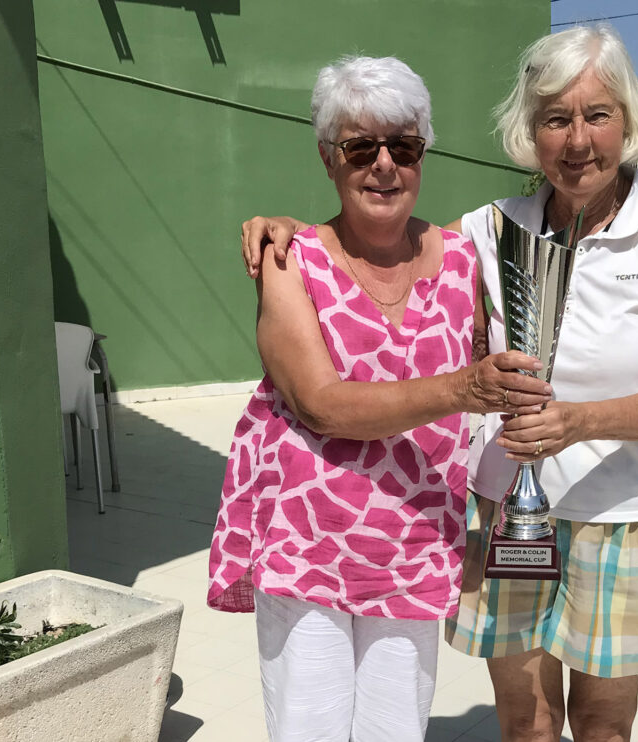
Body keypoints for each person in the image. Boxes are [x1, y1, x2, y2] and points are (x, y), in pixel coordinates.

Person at [241, 25, 638, 742]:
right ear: (530, 132)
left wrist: (574, 423)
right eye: (556, 119)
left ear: (628, 120)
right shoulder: (487, 232)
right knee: (526, 722)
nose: (577, 140)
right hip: (508, 512)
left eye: (597, 115)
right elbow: (389, 245)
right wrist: (292, 230)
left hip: (626, 516)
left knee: (604, 724)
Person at [208, 55, 552, 742]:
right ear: (329, 157)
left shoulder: (463, 259)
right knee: (310, 731)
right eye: (361, 146)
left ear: (423, 155)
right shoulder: (290, 259)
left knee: (395, 733)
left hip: (415, 540)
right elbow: (322, 405)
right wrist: (462, 388)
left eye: (405, 145)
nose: (385, 164)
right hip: (309, 547)